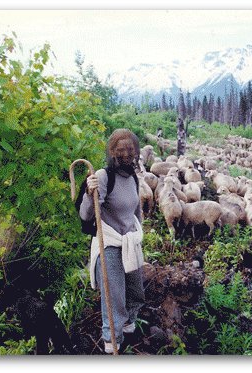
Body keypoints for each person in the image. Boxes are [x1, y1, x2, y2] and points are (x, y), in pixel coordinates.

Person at [79, 128, 145, 354]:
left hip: (129, 241)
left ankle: (128, 325)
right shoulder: (104, 176)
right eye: (120, 149)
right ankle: (111, 339)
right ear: (112, 151)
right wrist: (90, 193)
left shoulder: (133, 177)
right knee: (114, 295)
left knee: (136, 291)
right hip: (109, 243)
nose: (126, 154)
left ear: (136, 151)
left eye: (130, 149)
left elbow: (136, 211)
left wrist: (139, 234)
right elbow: (87, 215)